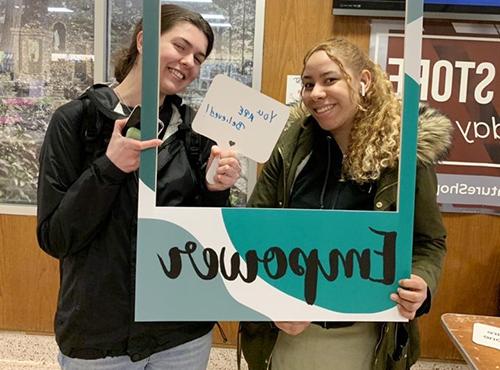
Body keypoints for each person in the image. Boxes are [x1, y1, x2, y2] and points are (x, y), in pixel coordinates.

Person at [37, 4, 240, 370]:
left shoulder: (195, 133)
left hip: (182, 333)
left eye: (199, 57)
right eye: (180, 46)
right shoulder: (76, 121)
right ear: (144, 40)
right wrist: (108, 169)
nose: (189, 62)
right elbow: (56, 237)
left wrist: (215, 188)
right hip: (99, 336)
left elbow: (206, 241)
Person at [240, 37, 451, 370]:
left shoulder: (405, 156)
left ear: (364, 82)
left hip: (365, 337)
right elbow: (254, 231)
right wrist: (273, 299)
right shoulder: (291, 147)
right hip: (289, 333)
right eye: (308, 84)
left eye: (329, 80)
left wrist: (421, 283)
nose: (315, 93)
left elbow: (429, 242)